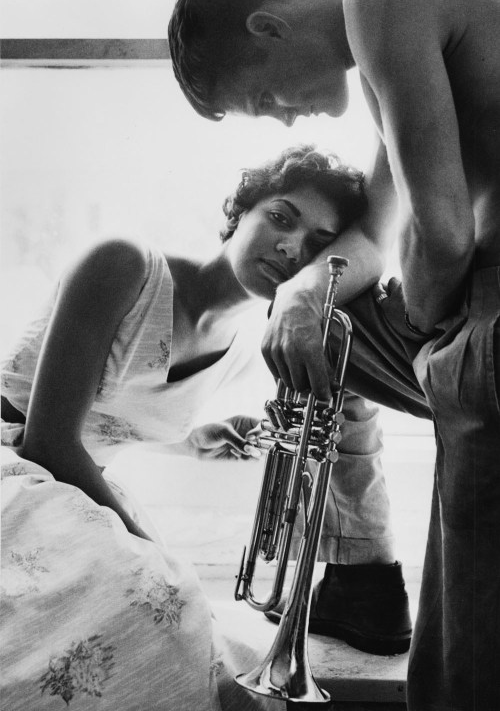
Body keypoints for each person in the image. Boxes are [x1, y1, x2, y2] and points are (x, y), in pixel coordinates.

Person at [168, 0, 500, 710]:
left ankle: (361, 573)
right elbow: (380, 231)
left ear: (269, 25)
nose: (285, 118)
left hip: (490, 326)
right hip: (480, 318)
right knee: (318, 328)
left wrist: (429, 321)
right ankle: (362, 572)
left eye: (265, 99)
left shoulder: (381, 5)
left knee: (464, 682)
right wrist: (302, 290)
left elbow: (440, 237)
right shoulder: (396, 45)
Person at [1, 145, 395, 710]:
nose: (290, 247)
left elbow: (107, 414)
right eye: (281, 218)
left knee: (198, 640)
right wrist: (143, 540)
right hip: (18, 472)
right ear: (240, 214)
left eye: (316, 244)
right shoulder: (123, 264)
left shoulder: (243, 344)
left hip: (61, 489)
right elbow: (47, 439)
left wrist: (193, 436)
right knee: (144, 601)